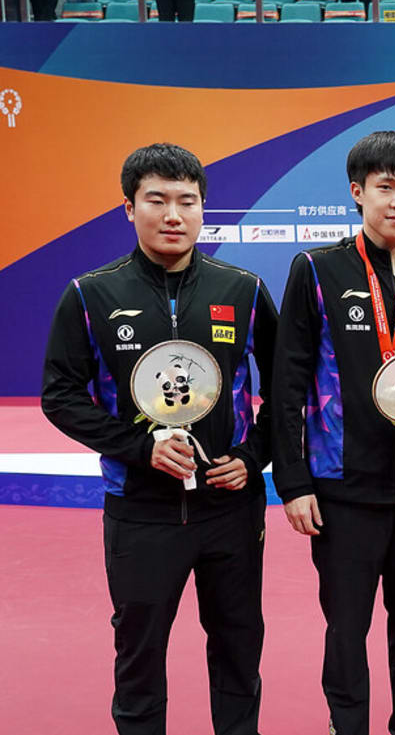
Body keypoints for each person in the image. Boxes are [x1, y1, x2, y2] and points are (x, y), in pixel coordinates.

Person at [42, 143, 276, 735]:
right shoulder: (91, 294)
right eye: (157, 200)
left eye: (187, 201)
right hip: (140, 512)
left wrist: (252, 457)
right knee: (139, 658)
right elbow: (60, 395)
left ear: (202, 209)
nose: (173, 215)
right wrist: (139, 448)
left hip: (230, 509)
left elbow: (289, 390)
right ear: (129, 208)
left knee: (239, 651)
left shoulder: (243, 290)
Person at [271, 130, 395, 735]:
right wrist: (294, 483)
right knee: (346, 633)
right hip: (343, 492)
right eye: (386, 187)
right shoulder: (316, 271)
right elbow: (287, 385)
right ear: (357, 192)